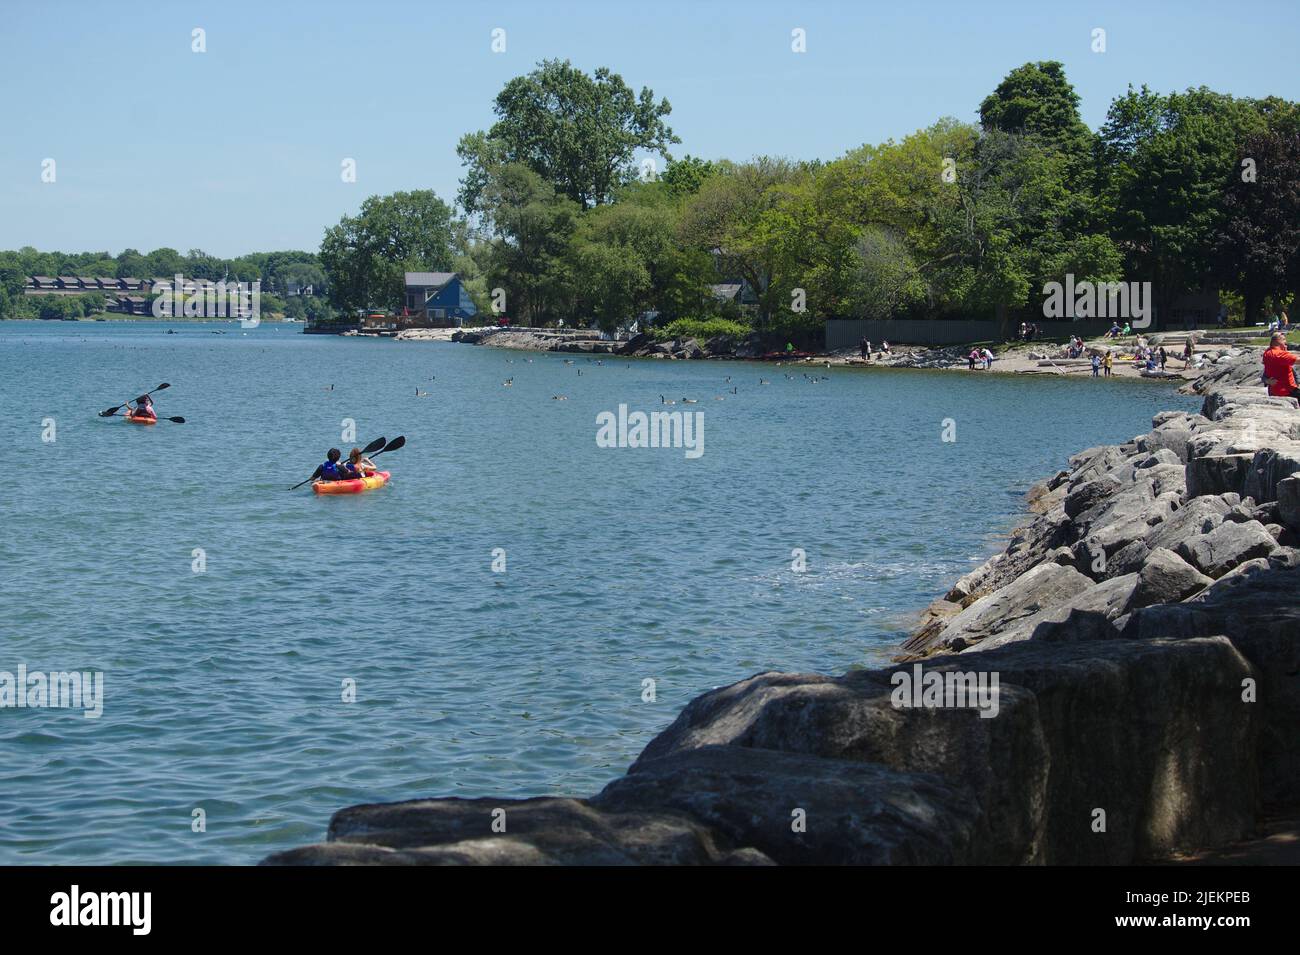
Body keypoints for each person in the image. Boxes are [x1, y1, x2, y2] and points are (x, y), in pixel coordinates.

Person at [1262, 332, 1300, 398]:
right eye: (1284, 339)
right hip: (1287, 391)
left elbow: (1266, 372)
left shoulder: (1267, 353)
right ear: (1278, 341)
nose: (1286, 342)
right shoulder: (1279, 354)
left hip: (1273, 391)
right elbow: (1298, 360)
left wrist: (1266, 380)